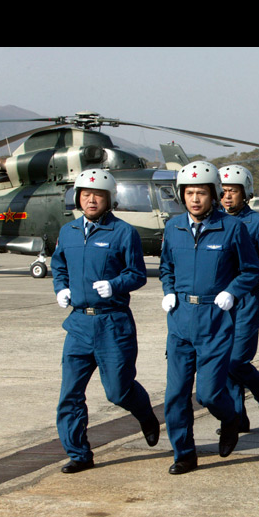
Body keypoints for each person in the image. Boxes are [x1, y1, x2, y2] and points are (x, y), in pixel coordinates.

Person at [52, 169, 159, 474]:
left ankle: (145, 414)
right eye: (86, 194)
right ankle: (79, 454)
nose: (91, 199)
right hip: (79, 325)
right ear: (78, 197)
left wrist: (115, 284)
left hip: (113, 323)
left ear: (109, 198)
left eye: (98, 195)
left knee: (118, 391)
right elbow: (59, 265)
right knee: (70, 394)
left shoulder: (124, 232)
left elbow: (137, 274)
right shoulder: (68, 232)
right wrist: (61, 288)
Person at [160, 161, 259, 474]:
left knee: (208, 393)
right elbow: (166, 267)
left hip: (216, 320)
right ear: (182, 195)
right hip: (180, 320)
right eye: (189, 192)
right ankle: (184, 454)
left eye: (201, 192)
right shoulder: (173, 228)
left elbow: (252, 270)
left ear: (213, 194)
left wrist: (233, 290)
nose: (195, 198)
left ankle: (230, 418)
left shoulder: (232, 228)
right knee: (175, 395)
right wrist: (168, 289)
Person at [219, 165, 259, 432]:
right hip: (219, 302)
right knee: (223, 361)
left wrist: (248, 282)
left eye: (233, 191)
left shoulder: (258, 224)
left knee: (236, 361)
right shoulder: (214, 223)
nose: (227, 197)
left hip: (246, 300)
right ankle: (236, 417)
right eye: (222, 192)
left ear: (246, 193)